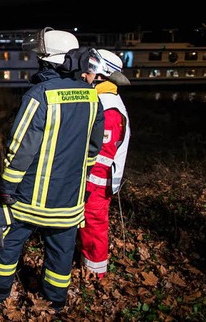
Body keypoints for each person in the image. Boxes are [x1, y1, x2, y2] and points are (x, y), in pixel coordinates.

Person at [0, 27, 105, 312]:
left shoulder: (39, 95)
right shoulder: (91, 97)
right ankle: (55, 301)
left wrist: (6, 187)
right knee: (61, 253)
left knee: (7, 243)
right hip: (69, 202)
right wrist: (80, 182)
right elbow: (92, 150)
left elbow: (21, 147)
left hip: (29, 199)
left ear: (46, 60)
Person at [78, 49, 131, 279]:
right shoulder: (101, 99)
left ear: (101, 74)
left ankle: (95, 274)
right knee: (86, 226)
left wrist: (87, 187)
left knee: (94, 227)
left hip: (98, 183)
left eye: (89, 70)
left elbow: (102, 157)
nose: (84, 74)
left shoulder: (108, 107)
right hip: (93, 181)